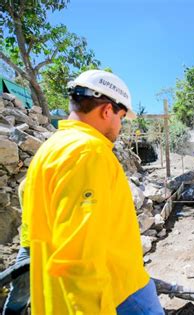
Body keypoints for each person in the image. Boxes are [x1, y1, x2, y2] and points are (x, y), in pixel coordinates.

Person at [21, 70, 164, 314]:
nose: (120, 125)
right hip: (117, 291)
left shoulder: (50, 149)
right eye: (121, 117)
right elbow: (79, 259)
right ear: (107, 110)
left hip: (61, 296)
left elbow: (30, 227)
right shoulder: (88, 152)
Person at [3, 180, 29, 315]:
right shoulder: (31, 184)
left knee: (21, 294)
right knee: (21, 294)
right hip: (36, 245)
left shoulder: (29, 182)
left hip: (31, 244)